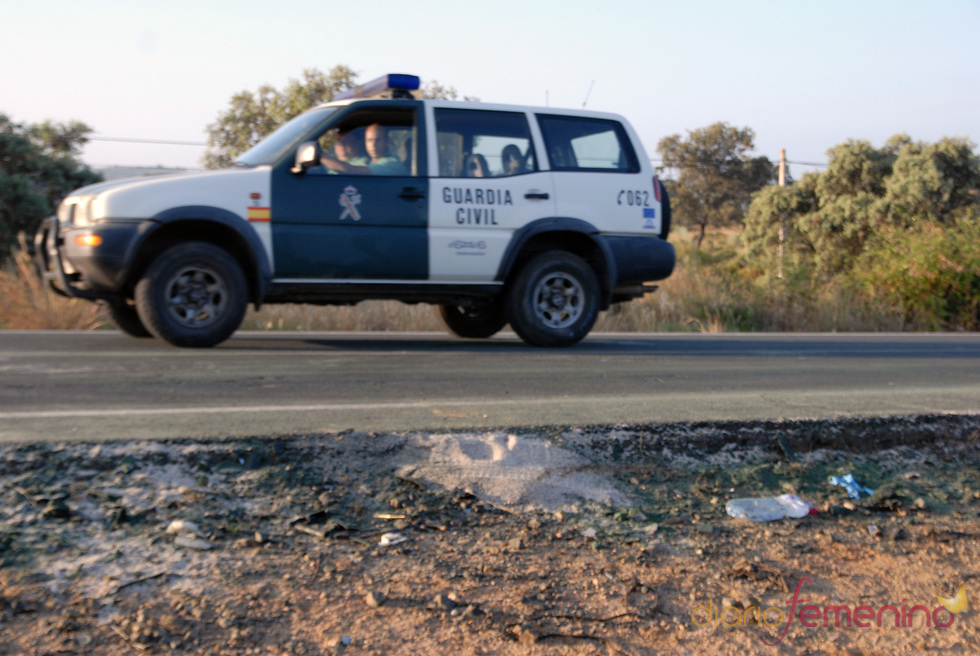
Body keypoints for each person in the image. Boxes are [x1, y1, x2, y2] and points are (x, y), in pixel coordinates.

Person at [320, 124, 408, 176]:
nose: (373, 145)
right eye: (369, 140)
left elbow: (352, 171)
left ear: (387, 141)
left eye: (378, 140)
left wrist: (321, 156)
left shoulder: (392, 163)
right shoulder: (371, 163)